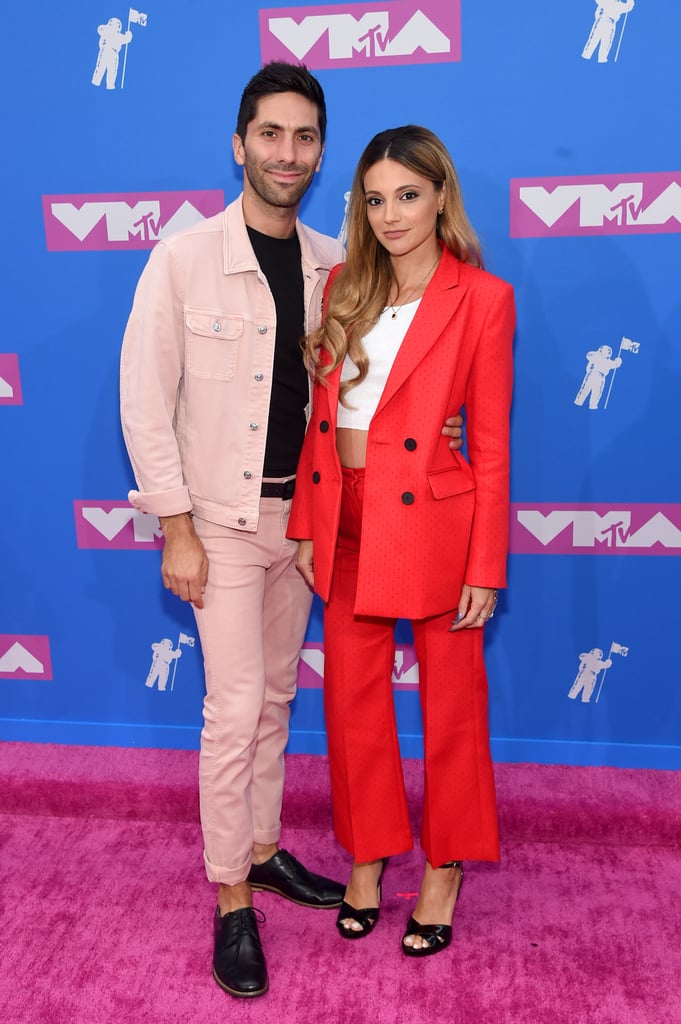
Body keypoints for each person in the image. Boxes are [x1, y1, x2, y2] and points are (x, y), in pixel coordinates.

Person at [120, 66, 464, 997]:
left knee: (274, 699)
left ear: (320, 152)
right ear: (239, 145)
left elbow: (377, 378)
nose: (287, 153)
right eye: (269, 134)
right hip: (221, 525)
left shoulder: (334, 264)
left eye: (305, 137)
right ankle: (232, 896)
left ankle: (264, 850)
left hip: (309, 523)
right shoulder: (182, 259)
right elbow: (145, 403)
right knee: (232, 712)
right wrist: (176, 528)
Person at [289, 125, 515, 958]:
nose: (389, 215)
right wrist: (309, 522)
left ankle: (445, 865)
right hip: (344, 513)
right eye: (374, 199)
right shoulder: (344, 285)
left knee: (450, 708)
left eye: (407, 196)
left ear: (441, 197)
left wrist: (484, 564)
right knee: (350, 703)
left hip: (434, 524)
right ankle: (367, 856)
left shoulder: (482, 299)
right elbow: (325, 422)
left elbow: (488, 444)